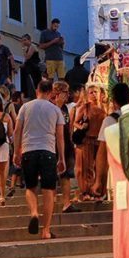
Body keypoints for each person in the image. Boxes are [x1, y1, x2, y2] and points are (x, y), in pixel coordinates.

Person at [13, 79, 66, 239]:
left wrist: (16, 152)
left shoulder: (25, 107)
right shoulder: (55, 110)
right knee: (49, 190)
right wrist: (61, 158)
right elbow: (60, 137)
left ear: (37, 90)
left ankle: (34, 212)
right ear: (51, 92)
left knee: (30, 187)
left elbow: (17, 131)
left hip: (29, 150)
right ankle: (46, 230)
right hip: (48, 151)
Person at [93, 83, 129, 199]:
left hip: (117, 172)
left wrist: (98, 180)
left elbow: (101, 153)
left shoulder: (109, 121)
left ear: (113, 101)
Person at [73, 84, 107, 200]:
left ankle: (100, 191)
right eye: (91, 92)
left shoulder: (104, 107)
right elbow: (75, 122)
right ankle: (87, 192)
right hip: (88, 139)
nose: (93, 94)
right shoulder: (85, 107)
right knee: (87, 167)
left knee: (100, 166)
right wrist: (82, 127)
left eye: (95, 92)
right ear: (88, 94)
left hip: (100, 140)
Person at [51, 80, 79, 213]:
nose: (67, 95)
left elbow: (68, 126)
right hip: (53, 143)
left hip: (66, 143)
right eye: (65, 92)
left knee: (66, 173)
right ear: (58, 93)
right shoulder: (51, 107)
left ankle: (66, 203)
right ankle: (52, 202)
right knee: (51, 175)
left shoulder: (65, 108)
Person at [19, 34, 42, 99]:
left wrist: (23, 49)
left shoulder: (32, 46)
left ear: (29, 40)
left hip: (34, 68)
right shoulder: (28, 48)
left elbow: (27, 56)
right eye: (22, 40)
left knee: (35, 83)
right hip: (30, 68)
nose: (23, 42)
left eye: (25, 40)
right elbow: (26, 59)